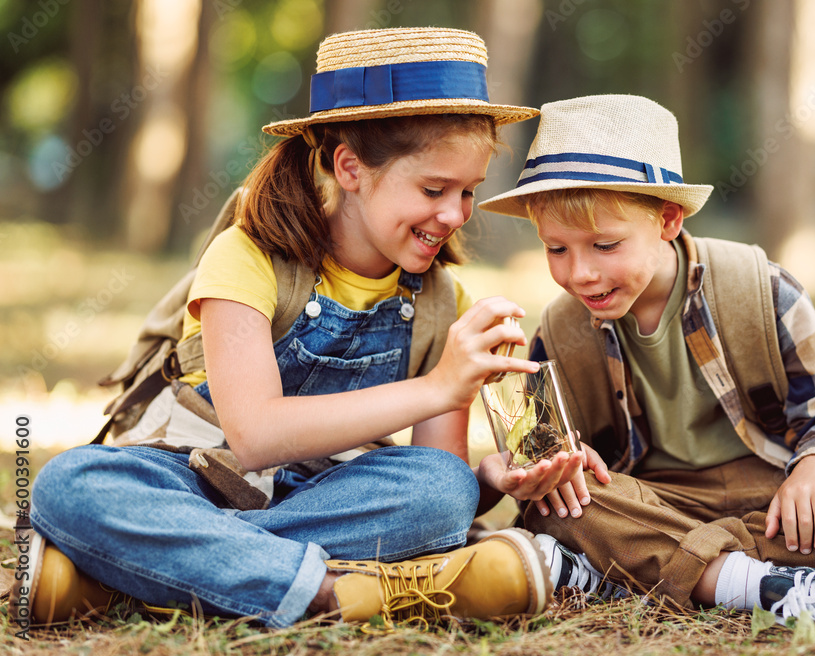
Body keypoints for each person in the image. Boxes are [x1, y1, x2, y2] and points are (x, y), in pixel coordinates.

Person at [19, 28, 585, 630]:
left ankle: (137, 577)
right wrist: (438, 388)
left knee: (444, 488)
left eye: (468, 191)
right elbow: (256, 435)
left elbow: (435, 487)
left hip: (334, 497)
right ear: (350, 167)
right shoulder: (248, 256)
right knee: (68, 484)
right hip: (201, 477)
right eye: (432, 189)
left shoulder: (444, 304)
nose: (454, 214)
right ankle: (332, 594)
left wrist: (493, 480)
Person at [478, 94, 815, 631]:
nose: (580, 273)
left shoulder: (759, 287)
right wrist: (559, 460)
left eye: (605, 245)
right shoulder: (559, 331)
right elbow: (539, 454)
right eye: (556, 250)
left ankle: (637, 571)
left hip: (767, 493)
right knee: (560, 508)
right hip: (653, 499)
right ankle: (769, 587)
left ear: (668, 220)